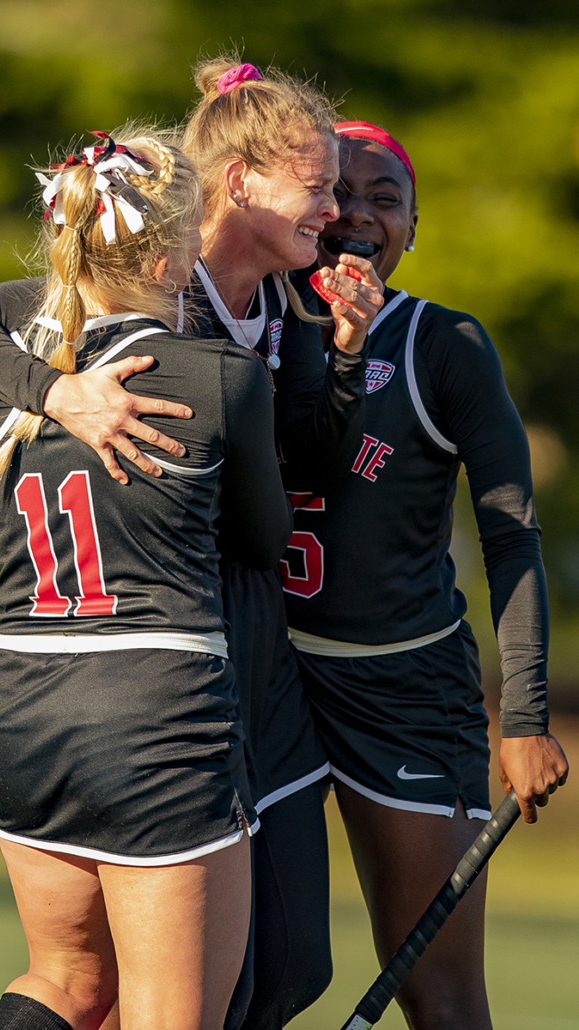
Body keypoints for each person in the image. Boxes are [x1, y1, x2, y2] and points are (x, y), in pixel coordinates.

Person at [0, 64, 384, 1030]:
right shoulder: (137, 353)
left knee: (76, 983)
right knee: (178, 1009)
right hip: (164, 694)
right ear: (223, 191)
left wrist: (336, 357)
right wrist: (57, 391)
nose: (337, 211)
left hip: (30, 692)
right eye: (321, 183)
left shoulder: (63, 344)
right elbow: (264, 533)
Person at [280, 120, 570, 1030]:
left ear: (413, 228)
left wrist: (521, 719)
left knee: (438, 998)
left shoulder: (445, 344)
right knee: (251, 976)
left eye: (384, 199)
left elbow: (511, 536)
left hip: (401, 685)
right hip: (265, 676)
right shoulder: (241, 321)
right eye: (335, 195)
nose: (356, 215)